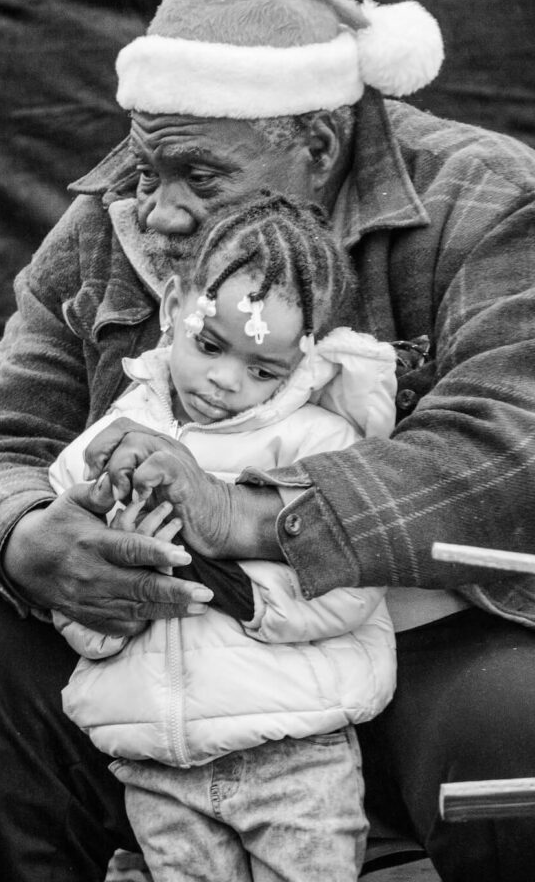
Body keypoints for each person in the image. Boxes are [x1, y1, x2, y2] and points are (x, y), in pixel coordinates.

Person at [0, 0, 535, 882]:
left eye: (200, 177)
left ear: (320, 143)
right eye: (146, 165)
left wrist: (254, 517)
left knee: (514, 727)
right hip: (182, 634)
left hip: (455, 629)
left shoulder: (488, 197)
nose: (163, 212)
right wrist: (20, 536)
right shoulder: (115, 221)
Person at [48, 195, 398, 881]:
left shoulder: (320, 449)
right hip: (158, 770)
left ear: (302, 358)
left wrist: (217, 575)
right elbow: (71, 602)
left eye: (262, 369)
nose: (225, 379)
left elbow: (348, 591)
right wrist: (119, 595)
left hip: (296, 758)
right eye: (210, 345)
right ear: (175, 304)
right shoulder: (104, 449)